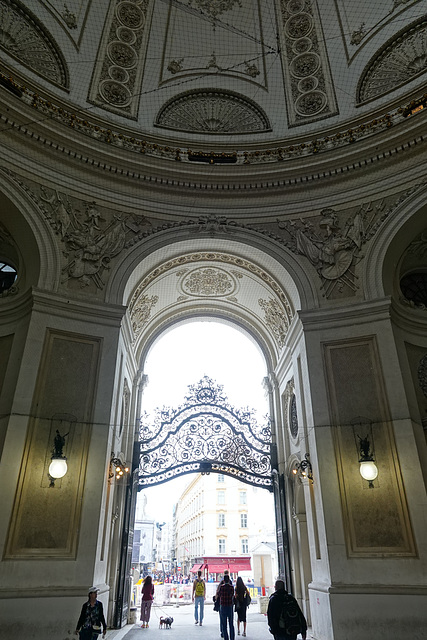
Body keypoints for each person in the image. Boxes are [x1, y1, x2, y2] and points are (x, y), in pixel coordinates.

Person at [217, 574, 235, 640]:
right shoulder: (231, 587)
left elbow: (218, 594)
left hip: (223, 606)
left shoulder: (221, 587)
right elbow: (233, 595)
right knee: (231, 623)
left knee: (224, 624)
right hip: (230, 606)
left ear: (224, 580)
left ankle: (226, 638)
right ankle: (232, 638)